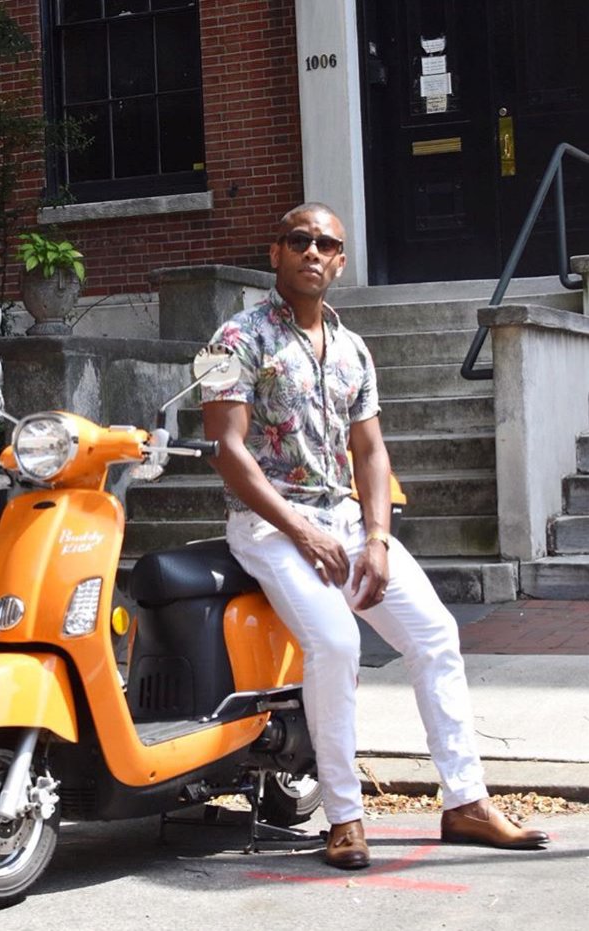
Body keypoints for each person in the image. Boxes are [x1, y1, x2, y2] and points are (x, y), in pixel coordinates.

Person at [200, 202, 550, 869]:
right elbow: (226, 449)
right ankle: (345, 815)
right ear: (275, 252)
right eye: (298, 239)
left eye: (325, 243)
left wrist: (379, 537)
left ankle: (466, 800)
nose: (312, 250)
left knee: (436, 633)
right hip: (269, 525)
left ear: (339, 261)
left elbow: (372, 452)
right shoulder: (233, 339)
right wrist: (301, 528)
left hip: (348, 523)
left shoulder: (354, 346)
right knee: (334, 642)